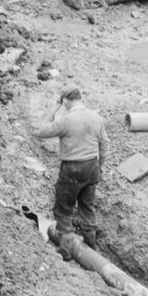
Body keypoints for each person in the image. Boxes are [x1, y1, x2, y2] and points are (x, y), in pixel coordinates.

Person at [34, 86, 109, 252]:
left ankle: (65, 251)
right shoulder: (96, 117)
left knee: (63, 209)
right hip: (92, 166)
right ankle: (91, 247)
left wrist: (54, 109)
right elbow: (104, 144)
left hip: (72, 168)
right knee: (87, 207)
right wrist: (100, 166)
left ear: (66, 100)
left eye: (63, 103)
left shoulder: (67, 120)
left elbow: (40, 131)